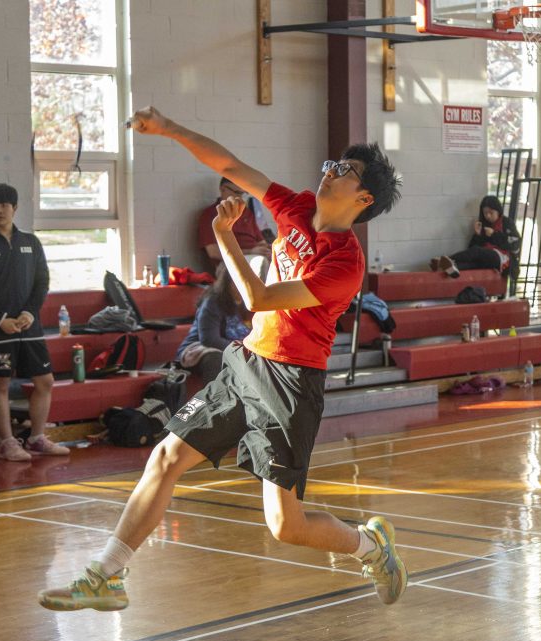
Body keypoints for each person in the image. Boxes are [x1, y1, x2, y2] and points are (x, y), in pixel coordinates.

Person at [38, 106, 406, 612]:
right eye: (333, 163)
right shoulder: (294, 206)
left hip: (291, 385)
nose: (331, 171)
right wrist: (169, 128)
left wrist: (225, 237)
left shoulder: (344, 262)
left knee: (285, 526)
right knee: (165, 457)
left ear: (363, 199)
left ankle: (371, 546)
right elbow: (231, 166)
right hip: (246, 363)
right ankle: (106, 575)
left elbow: (258, 297)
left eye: (346, 171)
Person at [0, 183, 66, 461]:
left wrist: (30, 312)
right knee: (1, 383)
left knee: (45, 380)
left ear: (15, 208)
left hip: (28, 326)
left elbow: (42, 281)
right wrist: (1, 320)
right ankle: (8, 442)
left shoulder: (31, 243)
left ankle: (36, 438)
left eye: (4, 205)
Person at [174, 264, 252, 382]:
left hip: (235, 350)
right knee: (216, 359)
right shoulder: (213, 301)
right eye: (239, 281)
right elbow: (209, 339)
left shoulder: (247, 303)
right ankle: (213, 398)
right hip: (200, 349)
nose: (244, 286)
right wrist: (241, 351)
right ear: (228, 283)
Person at [431, 195, 521, 278]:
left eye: (491, 212)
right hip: (487, 258)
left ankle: (444, 260)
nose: (488, 216)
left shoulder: (506, 222)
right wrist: (477, 235)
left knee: (477, 251)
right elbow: (471, 249)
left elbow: (515, 245)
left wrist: (494, 235)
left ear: (498, 211)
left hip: (503, 259)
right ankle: (450, 268)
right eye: (485, 213)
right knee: (471, 264)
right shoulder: (484, 225)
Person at [197, 178, 272, 275]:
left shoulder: (246, 212)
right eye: (237, 192)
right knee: (261, 262)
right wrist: (250, 251)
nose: (240, 198)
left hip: (254, 257)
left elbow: (261, 242)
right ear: (223, 189)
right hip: (229, 263)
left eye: (243, 193)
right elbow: (213, 252)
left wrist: (268, 249)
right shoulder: (210, 215)